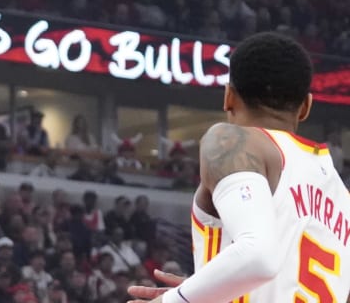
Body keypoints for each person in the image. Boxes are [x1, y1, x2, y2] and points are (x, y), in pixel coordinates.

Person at [128, 33, 350, 303]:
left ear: (228, 96)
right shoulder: (341, 195)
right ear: (306, 107)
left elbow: (258, 256)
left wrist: (172, 301)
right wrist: (203, 290)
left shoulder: (234, 142)